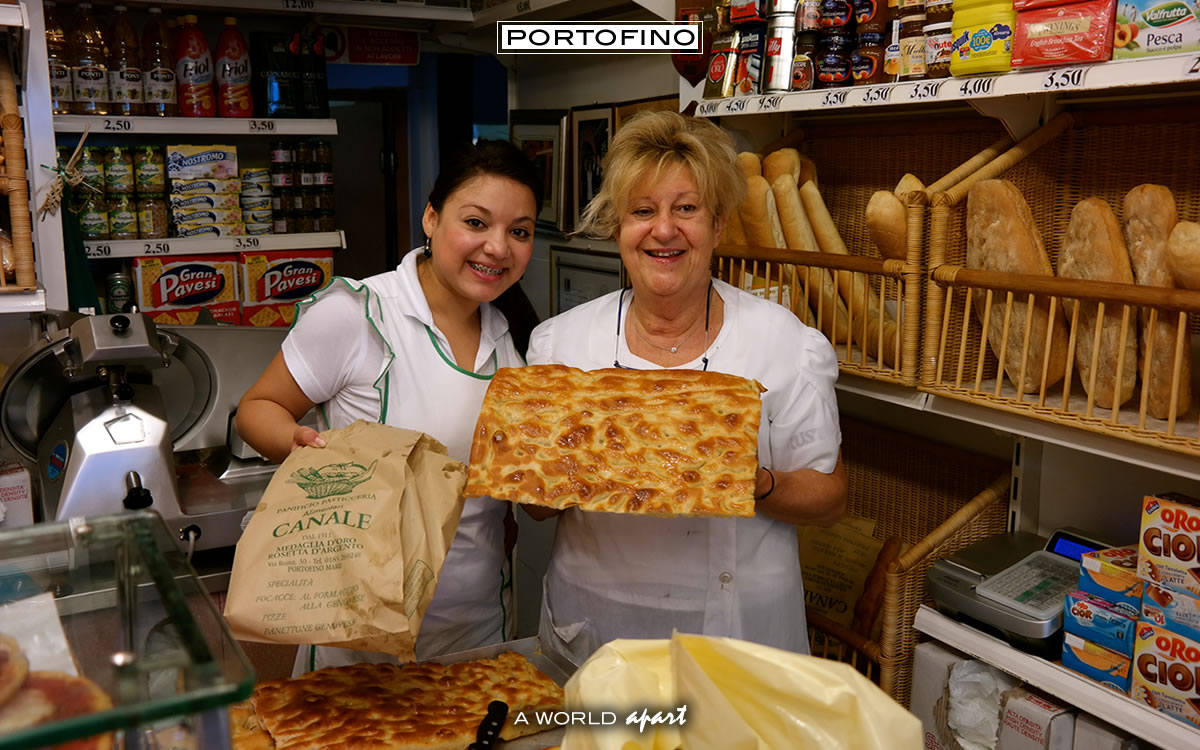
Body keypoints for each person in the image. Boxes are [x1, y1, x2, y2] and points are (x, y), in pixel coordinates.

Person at [524, 111, 847, 664]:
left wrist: (754, 480)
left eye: (686, 209)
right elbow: (533, 510)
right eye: (642, 211)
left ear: (718, 225)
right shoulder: (561, 347)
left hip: (740, 632)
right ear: (619, 228)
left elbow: (830, 498)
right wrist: (563, 465)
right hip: (598, 630)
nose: (664, 230)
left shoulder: (783, 342)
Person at [235, 139, 542, 673]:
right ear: (430, 217)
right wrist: (304, 446)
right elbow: (257, 408)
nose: (497, 247)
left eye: (519, 232)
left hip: (476, 624)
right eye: (476, 222)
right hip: (358, 629)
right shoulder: (358, 314)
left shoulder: (514, 340)